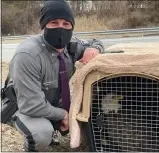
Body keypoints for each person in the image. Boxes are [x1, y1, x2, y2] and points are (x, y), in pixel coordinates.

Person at [7, 0, 104, 151]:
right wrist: (64, 115)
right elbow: (31, 105)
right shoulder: (28, 54)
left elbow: (96, 41)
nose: (61, 28)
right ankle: (33, 145)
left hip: (52, 101)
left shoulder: (71, 45)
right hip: (22, 105)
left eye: (66, 24)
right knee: (41, 133)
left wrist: (94, 49)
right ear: (44, 25)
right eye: (54, 22)